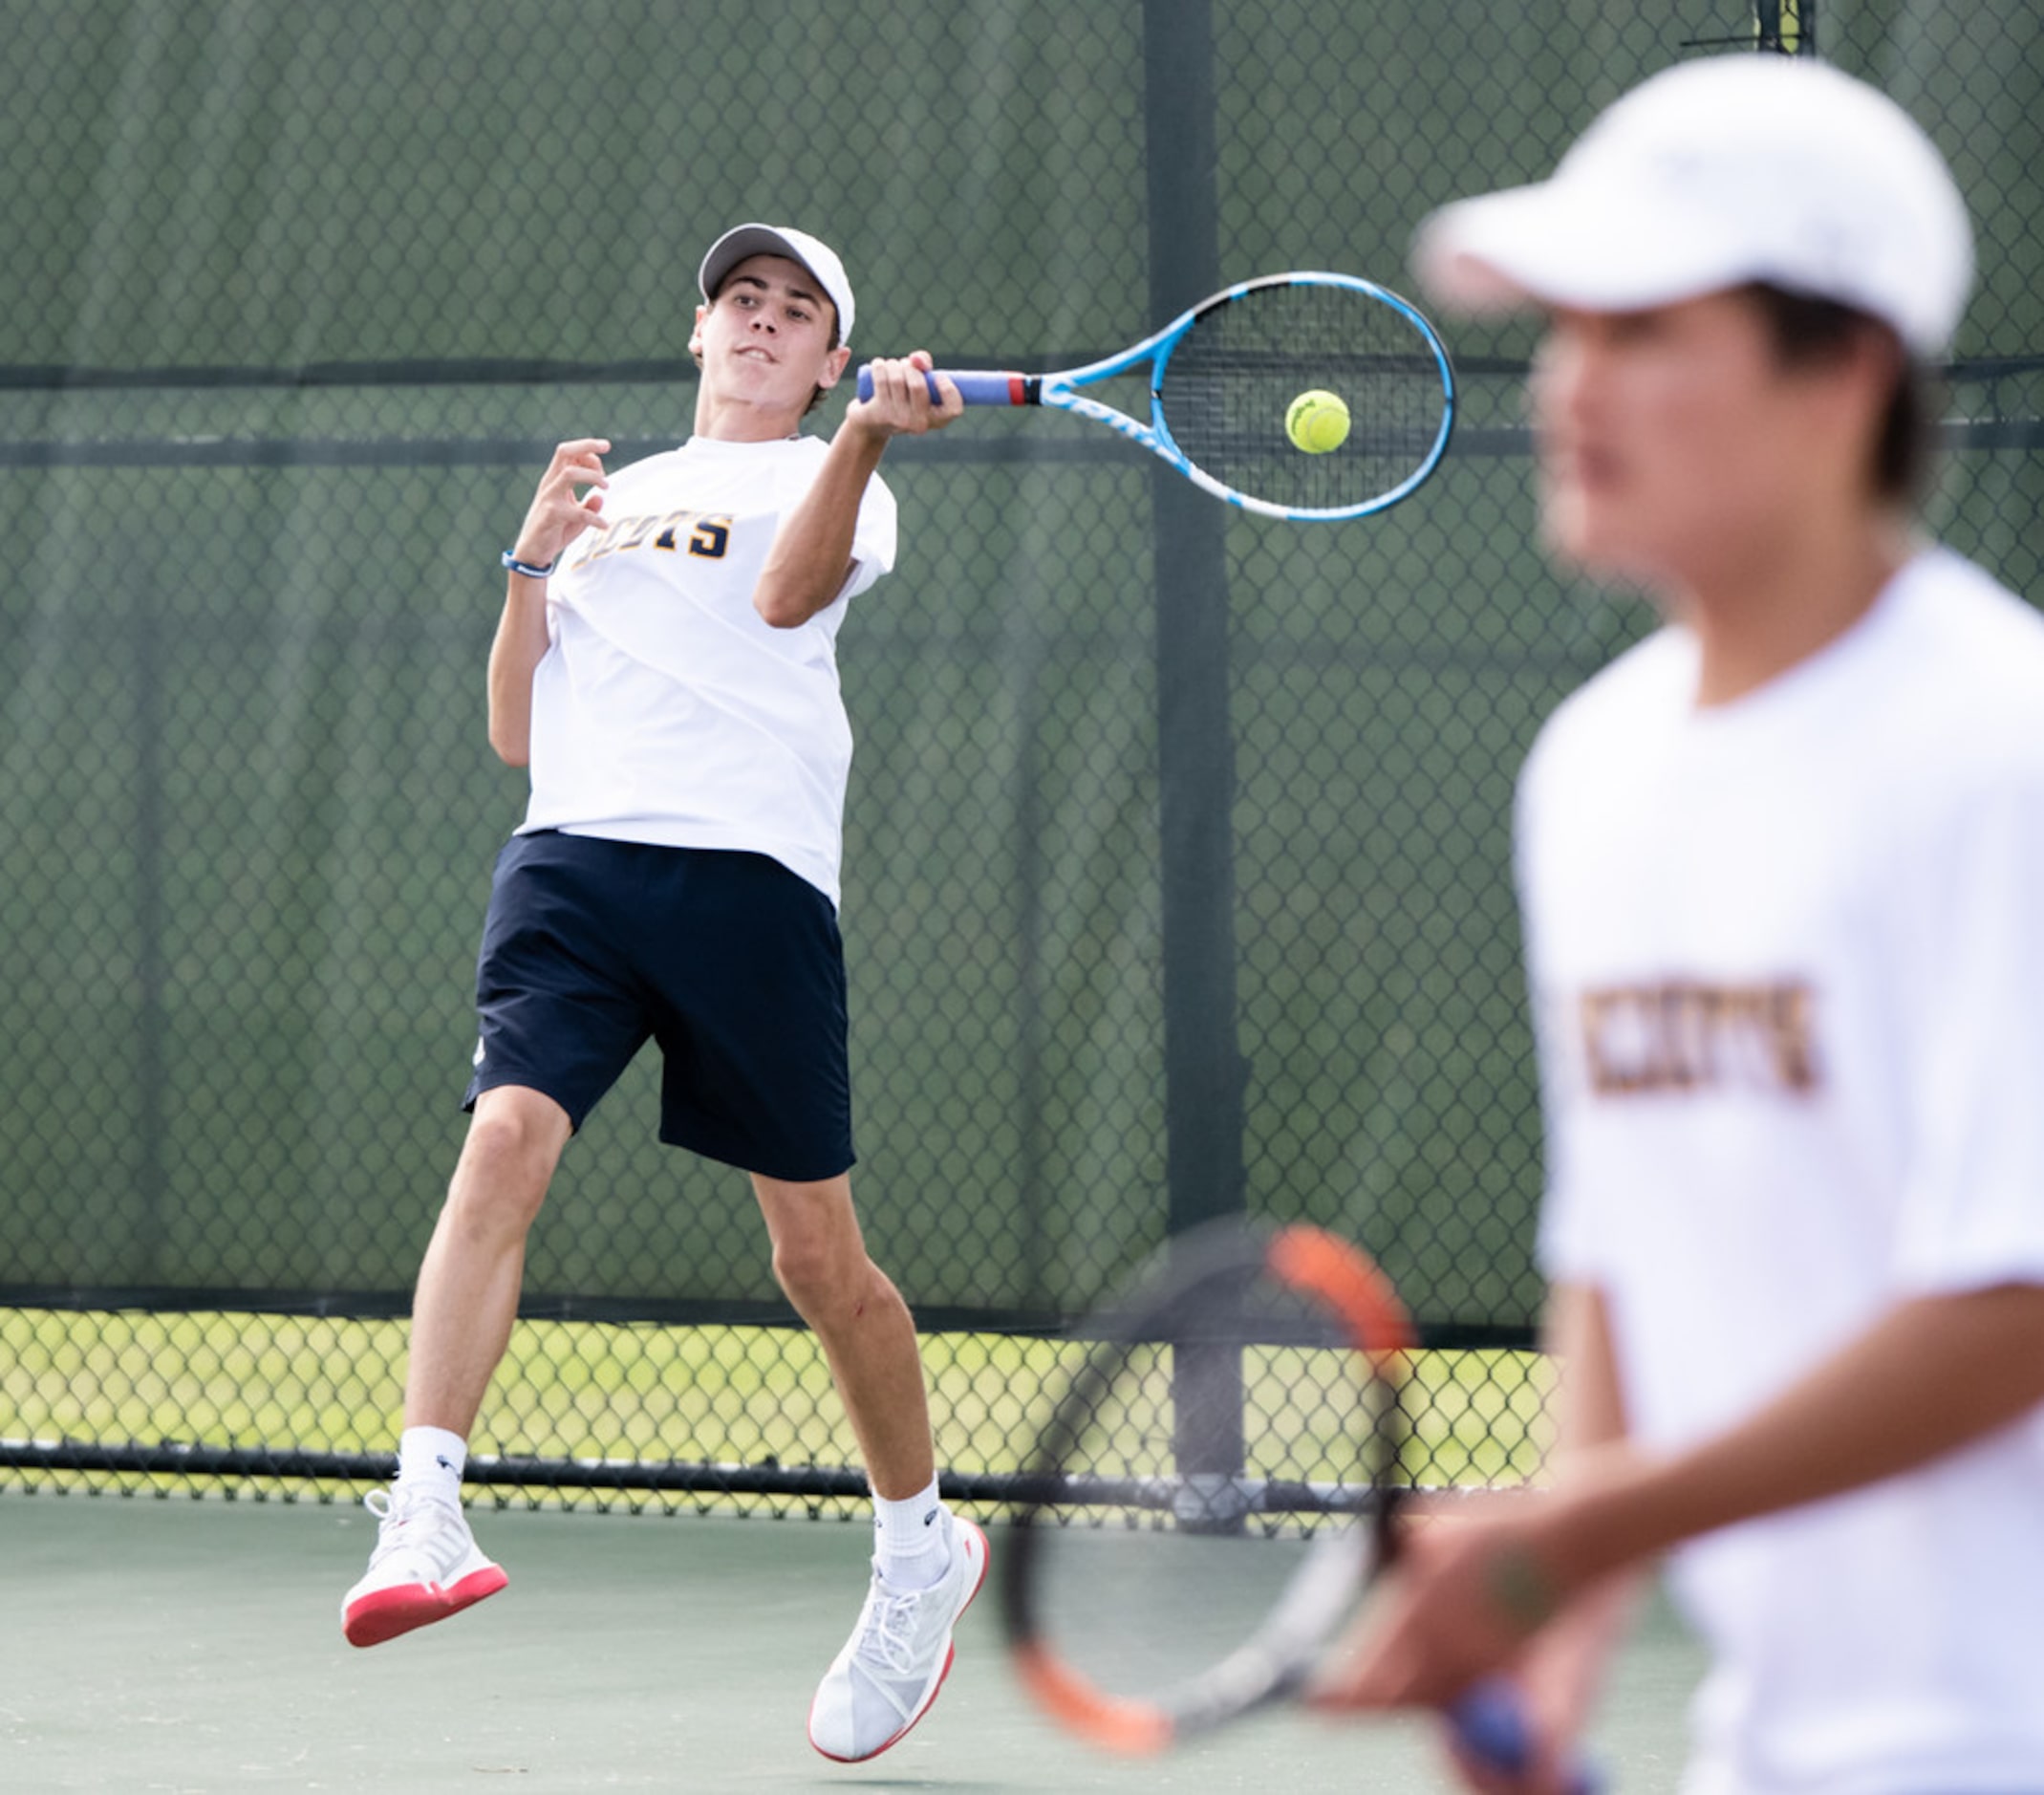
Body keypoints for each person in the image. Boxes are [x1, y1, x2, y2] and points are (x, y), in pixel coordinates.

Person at [1312, 54, 2044, 1794]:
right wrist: (1572, 1626)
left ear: (1847, 372)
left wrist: (1564, 1533)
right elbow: (1621, 1244)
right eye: (1565, 331)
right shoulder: (1597, 770)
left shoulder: (2002, 748)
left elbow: (2014, 1302)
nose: (1571, 387)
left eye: (1643, 332)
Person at [340, 222, 984, 1765]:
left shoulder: (831, 478)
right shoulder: (612, 493)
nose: (761, 323)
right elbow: (516, 725)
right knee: (503, 1137)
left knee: (816, 1258)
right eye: (740, 303)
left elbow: (783, 600)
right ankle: (423, 1507)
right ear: (697, 333)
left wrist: (867, 442)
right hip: (567, 866)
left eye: (797, 313)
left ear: (831, 360)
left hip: (746, 878)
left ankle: (920, 1548)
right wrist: (532, 560)